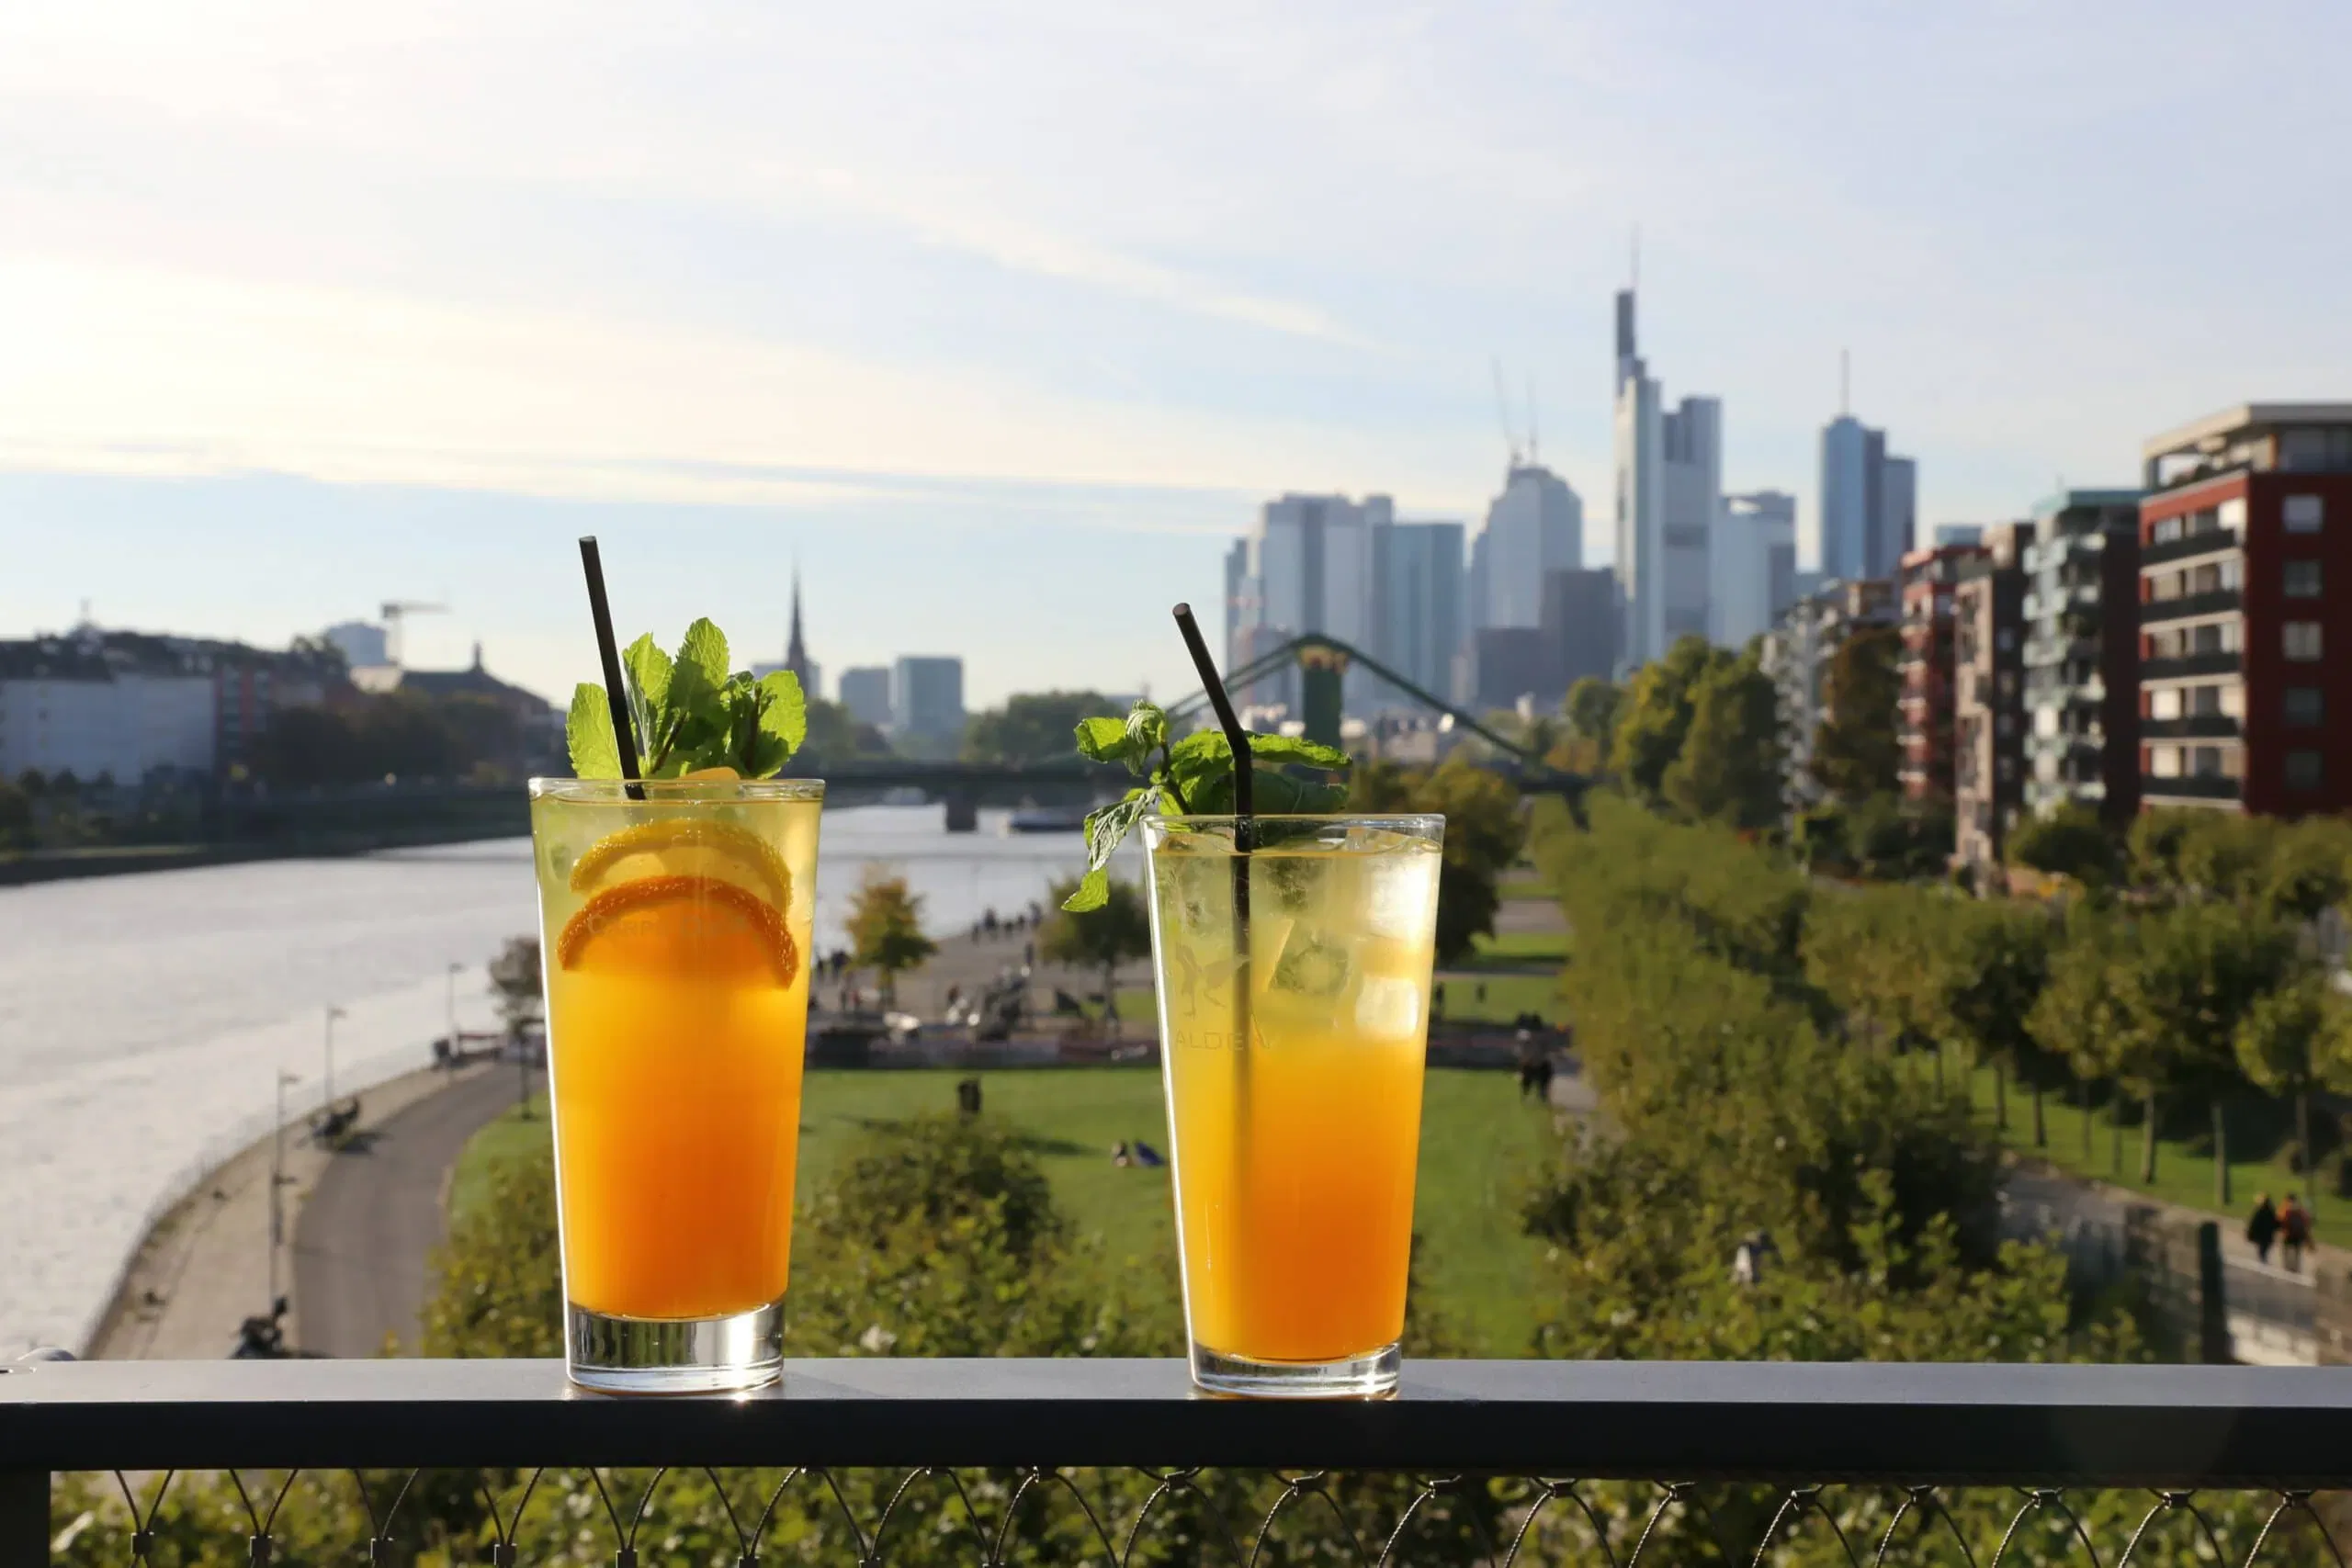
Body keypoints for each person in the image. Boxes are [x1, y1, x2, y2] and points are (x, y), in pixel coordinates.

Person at [2281, 1193, 2313, 1272]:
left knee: (2286, 1250)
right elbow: (2307, 1222)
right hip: (2299, 1235)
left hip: (2289, 1235)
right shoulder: (2302, 1210)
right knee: (2297, 1251)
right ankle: (2296, 1267)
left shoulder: (2288, 1210)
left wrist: (2284, 1231)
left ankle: (2286, 1265)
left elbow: (2285, 1222)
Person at [2247, 1192, 2280, 1266]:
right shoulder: (2272, 1212)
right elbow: (2276, 1224)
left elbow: (2254, 1224)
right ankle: (2263, 1262)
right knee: (2264, 1251)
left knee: (2261, 1252)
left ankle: (2262, 1264)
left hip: (2260, 1236)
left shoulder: (2259, 1212)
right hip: (2268, 1236)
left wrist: (2250, 1234)